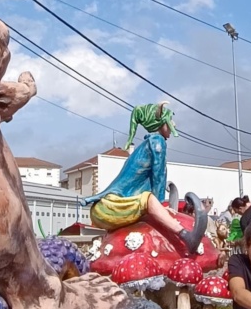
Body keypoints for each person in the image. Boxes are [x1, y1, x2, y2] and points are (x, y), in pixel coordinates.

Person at [82, 103, 206, 254]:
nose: (174, 124)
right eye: (170, 120)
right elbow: (158, 175)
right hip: (110, 207)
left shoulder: (147, 144)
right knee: (148, 199)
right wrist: (159, 204)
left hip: (106, 207)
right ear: (160, 123)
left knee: (148, 201)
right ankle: (186, 236)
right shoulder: (157, 143)